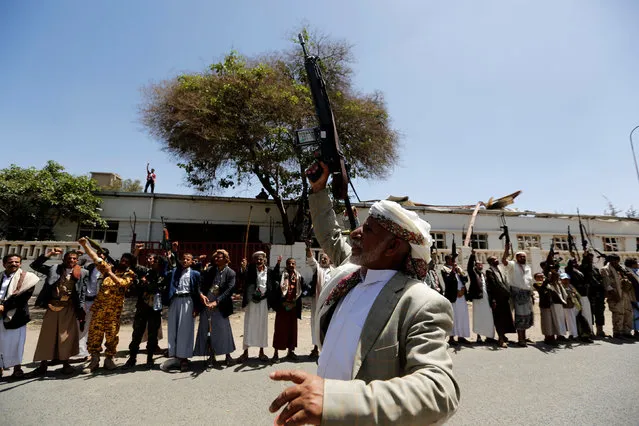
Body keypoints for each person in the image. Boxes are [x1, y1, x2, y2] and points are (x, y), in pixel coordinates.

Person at [268, 162, 459, 425]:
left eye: (367, 230)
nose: (354, 233)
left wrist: (335, 400)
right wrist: (319, 189)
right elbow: (331, 236)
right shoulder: (352, 272)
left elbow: (439, 393)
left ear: (392, 246)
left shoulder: (420, 302)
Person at [78, 238, 137, 372]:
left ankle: (109, 359)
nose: (123, 262)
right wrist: (85, 245)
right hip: (99, 309)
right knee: (94, 335)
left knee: (111, 336)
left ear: (130, 264)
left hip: (113, 312)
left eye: (127, 261)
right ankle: (94, 360)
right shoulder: (107, 269)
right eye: (122, 259)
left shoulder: (130, 274)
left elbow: (122, 284)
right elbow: (96, 258)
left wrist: (110, 273)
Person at [31, 248, 87, 375]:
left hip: (69, 308)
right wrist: (49, 254)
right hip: (52, 306)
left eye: (74, 258)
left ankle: (66, 364)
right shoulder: (54, 269)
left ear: (77, 260)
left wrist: (81, 310)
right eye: (68, 258)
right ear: (63, 259)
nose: (71, 260)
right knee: (47, 336)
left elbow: (82, 292)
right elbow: (35, 265)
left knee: (66, 337)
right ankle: (43, 365)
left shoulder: (82, 272)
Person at [123, 252, 169, 369]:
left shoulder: (163, 275)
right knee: (137, 334)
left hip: (154, 309)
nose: (150, 261)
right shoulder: (145, 271)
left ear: (159, 263)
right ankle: (132, 358)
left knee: (152, 335)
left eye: (154, 260)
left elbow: (155, 288)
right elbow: (133, 265)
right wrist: (136, 253)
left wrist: (144, 283)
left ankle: (149, 358)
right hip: (142, 307)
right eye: (149, 259)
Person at [194, 249, 236, 367]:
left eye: (220, 257)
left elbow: (229, 290)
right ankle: (211, 356)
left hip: (221, 306)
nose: (217, 259)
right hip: (207, 305)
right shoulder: (210, 270)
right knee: (208, 330)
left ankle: (228, 356)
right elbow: (200, 284)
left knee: (223, 331)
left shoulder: (230, 273)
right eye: (216, 257)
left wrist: (217, 302)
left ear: (226, 259)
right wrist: (201, 295)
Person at [0, 254, 39, 379]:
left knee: (16, 343)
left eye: (17, 262)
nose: (14, 264)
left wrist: (3, 307)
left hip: (17, 315)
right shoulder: (0, 276)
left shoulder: (27, 278)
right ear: (4, 264)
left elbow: (22, 298)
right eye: (11, 262)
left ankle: (17, 368)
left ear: (20, 264)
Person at [238, 252, 281, 363]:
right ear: (254, 260)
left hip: (264, 301)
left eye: (261, 259)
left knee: (262, 326)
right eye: (257, 259)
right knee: (248, 326)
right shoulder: (250, 270)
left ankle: (261, 352)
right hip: (252, 302)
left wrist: (278, 264)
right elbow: (243, 277)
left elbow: (277, 276)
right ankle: (245, 352)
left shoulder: (269, 271)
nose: (259, 261)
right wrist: (243, 267)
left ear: (265, 260)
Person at [164, 253, 201, 372]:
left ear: (192, 262)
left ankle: (184, 357)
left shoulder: (195, 274)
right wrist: (169, 257)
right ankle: (175, 356)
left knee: (185, 330)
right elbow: (164, 274)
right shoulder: (175, 272)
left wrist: (197, 308)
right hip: (175, 300)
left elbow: (198, 290)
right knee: (173, 329)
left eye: (188, 259)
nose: (185, 261)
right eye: (183, 259)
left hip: (188, 301)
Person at [77, 247, 110, 361]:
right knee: (83, 325)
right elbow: (77, 268)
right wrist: (82, 256)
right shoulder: (88, 266)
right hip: (86, 300)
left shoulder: (107, 269)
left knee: (97, 327)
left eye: (103, 254)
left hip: (99, 301)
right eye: (98, 254)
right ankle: (84, 351)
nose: (100, 256)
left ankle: (96, 350)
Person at [271, 258, 303, 361]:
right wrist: (277, 264)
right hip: (282, 307)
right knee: (280, 330)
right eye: (289, 263)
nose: (291, 265)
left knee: (292, 330)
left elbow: (304, 288)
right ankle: (276, 353)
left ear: (295, 265)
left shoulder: (299, 276)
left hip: (293, 307)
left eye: (293, 263)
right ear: (286, 265)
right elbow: (274, 275)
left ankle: (291, 352)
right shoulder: (281, 275)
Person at [501, 244, 533, 347]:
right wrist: (506, 250)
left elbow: (529, 281)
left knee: (527, 317)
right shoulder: (512, 265)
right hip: (518, 294)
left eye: (524, 256)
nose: (522, 258)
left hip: (527, 294)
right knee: (520, 317)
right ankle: (521, 339)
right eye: (520, 256)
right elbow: (504, 261)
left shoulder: (528, 267)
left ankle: (525, 337)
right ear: (516, 258)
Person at [306, 245, 334, 358]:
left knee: (328, 325)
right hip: (317, 302)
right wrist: (308, 248)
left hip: (329, 304)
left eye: (325, 258)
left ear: (330, 260)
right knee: (316, 324)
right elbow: (311, 260)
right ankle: (315, 348)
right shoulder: (318, 269)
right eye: (321, 258)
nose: (323, 259)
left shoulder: (334, 271)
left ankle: (327, 350)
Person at [601, 254, 635, 339]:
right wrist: (614, 295)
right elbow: (607, 285)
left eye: (617, 261)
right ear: (610, 261)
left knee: (628, 313)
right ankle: (617, 332)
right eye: (614, 261)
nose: (616, 262)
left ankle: (626, 332)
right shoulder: (605, 270)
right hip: (615, 295)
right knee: (618, 314)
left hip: (625, 295)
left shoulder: (620, 270)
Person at [485, 256, 515, 348]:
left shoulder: (500, 269)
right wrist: (507, 292)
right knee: (499, 319)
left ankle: (503, 336)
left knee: (505, 317)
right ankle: (500, 339)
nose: (497, 260)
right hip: (497, 298)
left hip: (504, 297)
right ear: (490, 262)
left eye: (496, 259)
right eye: (494, 260)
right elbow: (494, 285)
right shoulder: (489, 271)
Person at [467, 250, 495, 344]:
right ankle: (478, 337)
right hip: (478, 299)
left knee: (488, 317)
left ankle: (489, 336)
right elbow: (469, 267)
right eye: (478, 264)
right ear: (475, 266)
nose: (480, 265)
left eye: (481, 264)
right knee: (478, 318)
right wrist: (472, 256)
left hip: (486, 300)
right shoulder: (473, 273)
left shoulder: (484, 275)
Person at [442, 254, 470, 346]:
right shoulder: (444, 269)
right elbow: (448, 280)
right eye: (452, 259)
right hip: (453, 296)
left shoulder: (458, 268)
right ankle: (451, 338)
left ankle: (461, 337)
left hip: (461, 296)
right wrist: (453, 270)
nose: (454, 261)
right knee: (453, 317)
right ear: (447, 260)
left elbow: (465, 279)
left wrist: (460, 271)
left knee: (462, 316)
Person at [580, 251, 606, 337]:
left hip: (598, 293)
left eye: (591, 258)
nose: (591, 260)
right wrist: (585, 257)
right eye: (589, 258)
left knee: (600, 312)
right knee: (589, 313)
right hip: (589, 294)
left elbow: (599, 279)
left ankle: (600, 331)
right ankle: (590, 331)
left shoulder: (595, 268)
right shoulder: (583, 268)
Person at [565, 259, 593, 337]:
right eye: (573, 263)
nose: (575, 264)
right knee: (574, 315)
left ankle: (587, 332)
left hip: (583, 295)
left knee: (586, 314)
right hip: (575, 296)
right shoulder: (569, 271)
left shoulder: (580, 272)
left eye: (575, 262)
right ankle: (574, 334)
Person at [624, 258, 639, 338]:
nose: (637, 264)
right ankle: (635, 331)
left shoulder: (635, 272)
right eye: (636, 263)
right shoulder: (628, 273)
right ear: (632, 265)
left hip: (637, 296)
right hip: (633, 296)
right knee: (635, 314)